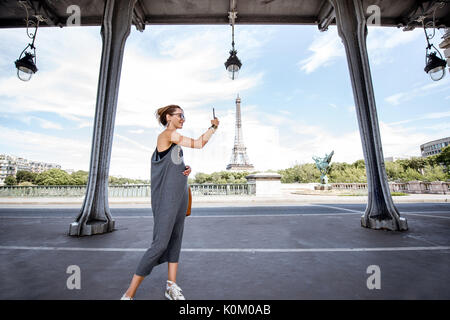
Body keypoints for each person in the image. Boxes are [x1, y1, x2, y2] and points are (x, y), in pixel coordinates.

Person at [121, 104, 219, 300]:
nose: (183, 119)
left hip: (180, 194)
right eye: (180, 115)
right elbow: (199, 144)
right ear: (168, 117)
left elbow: (173, 163)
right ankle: (129, 294)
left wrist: (185, 168)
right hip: (167, 197)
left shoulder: (174, 143)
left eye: (184, 116)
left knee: (175, 241)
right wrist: (213, 127)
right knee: (159, 244)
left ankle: (170, 286)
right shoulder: (167, 135)